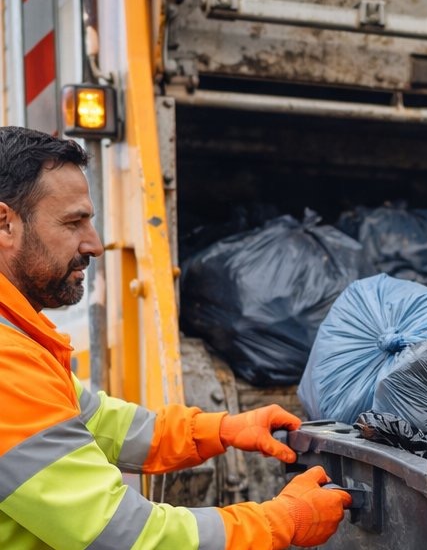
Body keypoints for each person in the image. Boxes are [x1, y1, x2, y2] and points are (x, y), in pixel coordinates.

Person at [0, 126, 349, 549]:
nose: (94, 245)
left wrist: (222, 429)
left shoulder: (19, 344)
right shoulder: (7, 362)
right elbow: (124, 536)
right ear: (5, 224)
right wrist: (282, 520)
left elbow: (104, 424)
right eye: (74, 222)